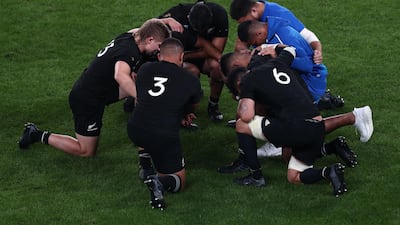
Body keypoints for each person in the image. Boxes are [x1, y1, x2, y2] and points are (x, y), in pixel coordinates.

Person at [217, 45, 373, 196]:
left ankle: (256, 176)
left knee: (241, 125)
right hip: (317, 125)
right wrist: (276, 47)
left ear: (239, 82)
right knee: (293, 176)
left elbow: (246, 116)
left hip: (297, 128)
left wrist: (243, 98)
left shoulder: (248, 81)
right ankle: (329, 168)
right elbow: (290, 50)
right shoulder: (276, 62)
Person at [17, 19, 171, 157]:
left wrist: (166, 21)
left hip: (103, 89)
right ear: (150, 39)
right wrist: (143, 99)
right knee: (86, 151)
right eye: (159, 46)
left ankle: (142, 130)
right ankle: (35, 134)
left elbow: (147, 25)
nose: (159, 51)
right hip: (87, 100)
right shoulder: (128, 53)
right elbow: (120, 76)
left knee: (145, 81)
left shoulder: (132, 36)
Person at [127, 38, 202, 210]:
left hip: (135, 127)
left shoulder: (145, 69)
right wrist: (184, 114)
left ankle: (146, 167)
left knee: (148, 117)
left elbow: (142, 95)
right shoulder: (190, 80)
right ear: (181, 57)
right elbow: (193, 105)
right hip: (163, 134)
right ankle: (158, 181)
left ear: (160, 56)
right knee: (179, 183)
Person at [229, 0, 344, 110]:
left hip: (311, 80)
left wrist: (281, 57)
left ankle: (312, 103)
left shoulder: (280, 28)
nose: (256, 46)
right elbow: (242, 45)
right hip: (307, 75)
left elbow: (307, 65)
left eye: (255, 43)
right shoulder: (268, 26)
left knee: (265, 78)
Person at [157, 1, 229, 121]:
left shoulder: (219, 15)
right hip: (180, 56)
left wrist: (185, 56)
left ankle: (213, 105)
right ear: (188, 17)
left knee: (217, 66)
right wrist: (166, 20)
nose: (199, 33)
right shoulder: (177, 13)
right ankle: (185, 110)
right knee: (192, 72)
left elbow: (215, 51)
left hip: (193, 55)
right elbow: (150, 27)